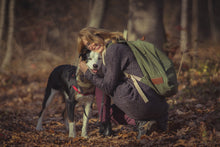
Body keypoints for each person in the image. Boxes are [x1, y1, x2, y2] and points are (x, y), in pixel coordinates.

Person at [78, 27, 169, 139]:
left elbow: (107, 87)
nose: (91, 45)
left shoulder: (113, 50)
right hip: (156, 103)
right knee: (104, 88)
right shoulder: (118, 45)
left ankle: (140, 122)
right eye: (87, 45)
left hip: (143, 100)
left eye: (91, 40)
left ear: (99, 35)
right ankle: (156, 121)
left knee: (103, 90)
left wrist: (87, 72)